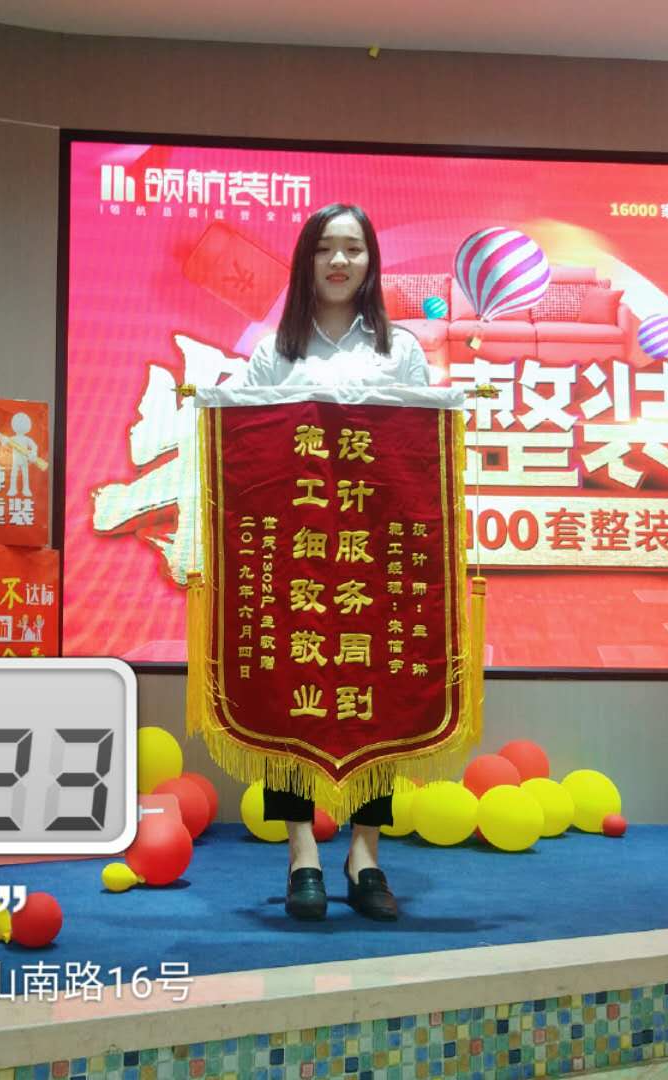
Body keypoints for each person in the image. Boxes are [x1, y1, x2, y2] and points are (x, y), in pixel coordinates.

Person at [243, 202, 432, 922]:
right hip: (294, 551)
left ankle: (365, 854)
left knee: (373, 692)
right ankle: (302, 852)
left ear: (370, 261)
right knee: (290, 691)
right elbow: (247, 451)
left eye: (352, 248)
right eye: (325, 248)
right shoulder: (274, 353)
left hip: (374, 552)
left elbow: (420, 452)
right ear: (307, 260)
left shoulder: (399, 349)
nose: (339, 261)